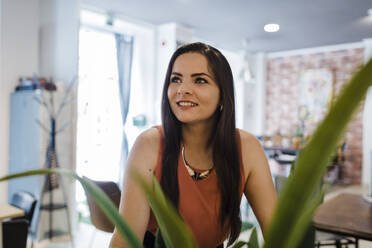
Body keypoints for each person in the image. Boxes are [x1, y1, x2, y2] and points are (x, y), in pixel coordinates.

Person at [109, 42, 277, 248]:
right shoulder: (149, 144)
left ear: (223, 94)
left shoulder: (247, 147)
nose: (183, 89)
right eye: (176, 79)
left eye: (200, 80)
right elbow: (126, 239)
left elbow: (278, 233)